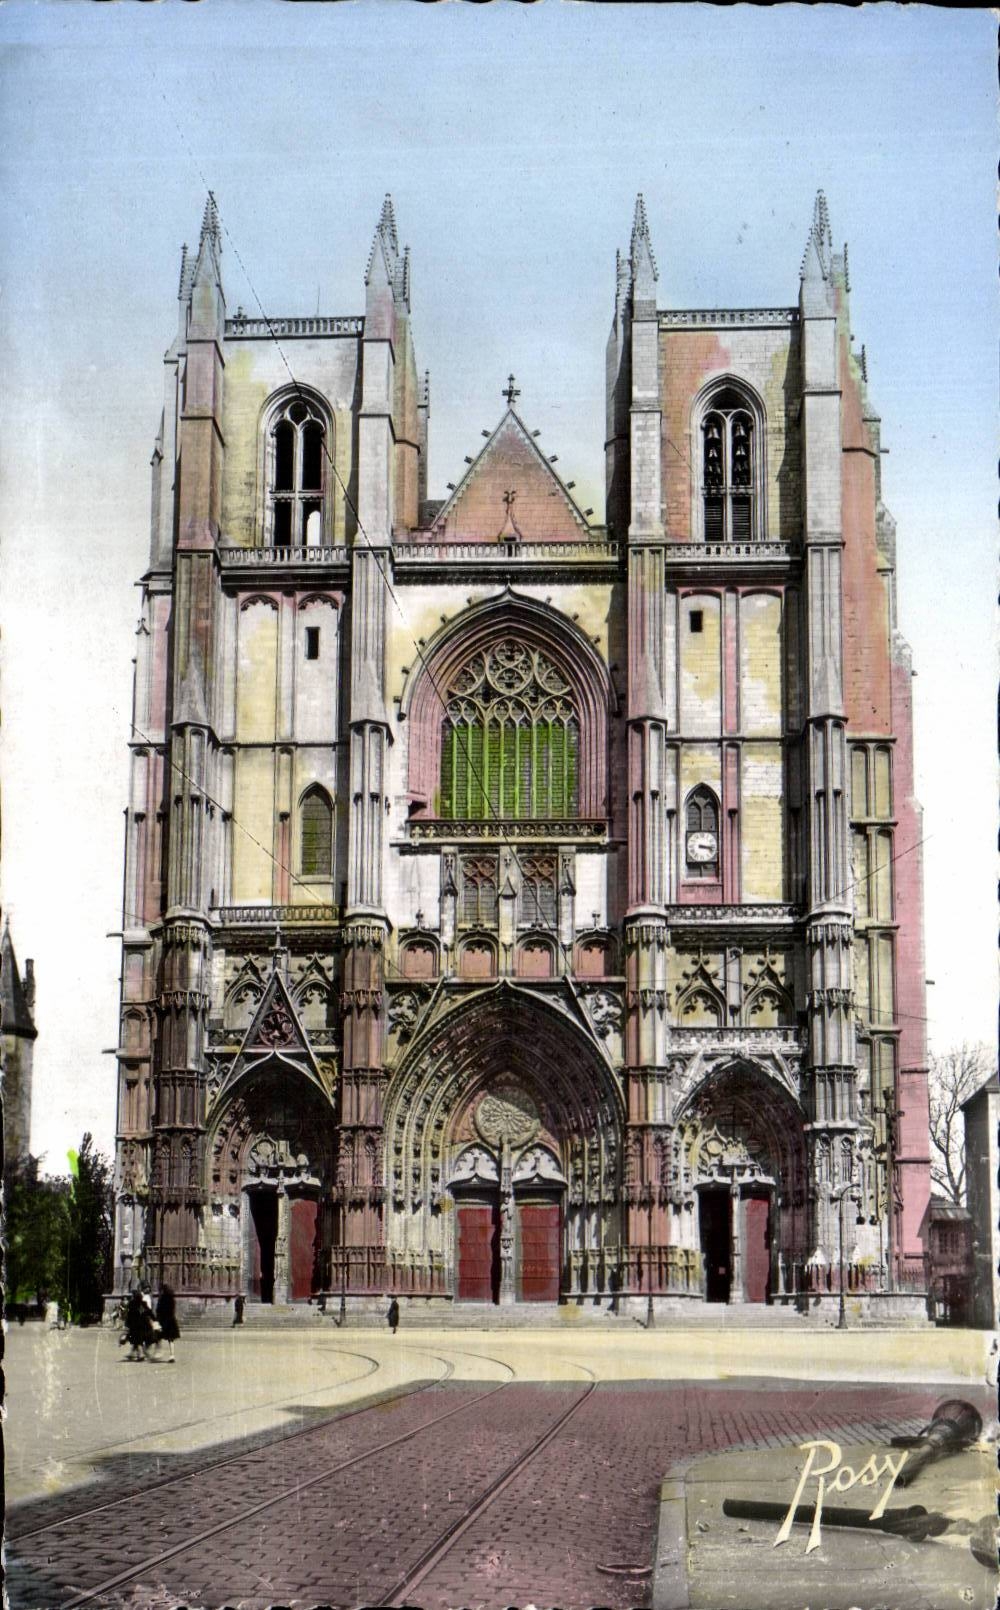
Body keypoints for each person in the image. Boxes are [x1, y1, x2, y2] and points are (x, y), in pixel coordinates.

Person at [154, 1284, 180, 1362]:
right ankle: (172, 1355)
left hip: (163, 1320)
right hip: (171, 1320)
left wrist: (157, 1320)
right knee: (171, 1339)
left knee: (158, 1337)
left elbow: (158, 1310)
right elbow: (173, 1310)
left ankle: (158, 1353)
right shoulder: (172, 1299)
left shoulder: (161, 1299)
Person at [124, 1290, 149, 1361]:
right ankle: (137, 1354)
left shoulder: (131, 1303)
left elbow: (129, 1315)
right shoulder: (144, 1303)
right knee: (138, 1340)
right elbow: (148, 1312)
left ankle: (140, 1354)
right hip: (143, 1324)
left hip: (134, 1324)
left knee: (137, 1340)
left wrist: (127, 1324)